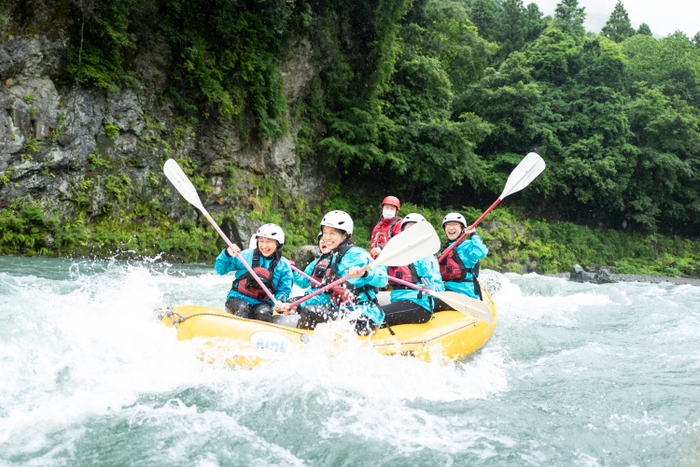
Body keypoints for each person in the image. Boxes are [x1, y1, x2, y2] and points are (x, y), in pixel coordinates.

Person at [297, 210, 388, 335]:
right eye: (324, 233)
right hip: (342, 310)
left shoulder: (357, 254)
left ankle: (302, 345)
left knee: (311, 312)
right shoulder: (334, 257)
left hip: (364, 314)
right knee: (307, 310)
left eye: (332, 233)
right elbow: (326, 295)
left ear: (344, 236)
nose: (327, 237)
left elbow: (383, 279)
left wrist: (364, 273)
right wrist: (296, 305)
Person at [215, 223, 293, 322]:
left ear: (278, 244)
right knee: (241, 309)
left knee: (263, 313)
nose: (264, 246)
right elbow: (220, 269)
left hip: (262, 303)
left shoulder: (284, 265)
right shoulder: (245, 256)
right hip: (237, 299)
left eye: (269, 242)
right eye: (261, 241)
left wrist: (280, 302)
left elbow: (283, 290)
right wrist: (227, 254)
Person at [382, 213, 445, 326]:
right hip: (398, 299)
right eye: (409, 227)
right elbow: (379, 276)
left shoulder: (427, 255)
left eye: (415, 227)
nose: (411, 230)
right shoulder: (395, 253)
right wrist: (365, 274)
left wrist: (432, 289)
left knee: (374, 315)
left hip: (419, 303)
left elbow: (437, 285)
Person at [435, 212, 488, 310]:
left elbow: (481, 252)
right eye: (448, 225)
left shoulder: (467, 245)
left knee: (432, 304)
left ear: (462, 229)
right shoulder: (444, 250)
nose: (451, 228)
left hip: (465, 293)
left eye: (455, 225)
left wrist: (474, 234)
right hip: (447, 291)